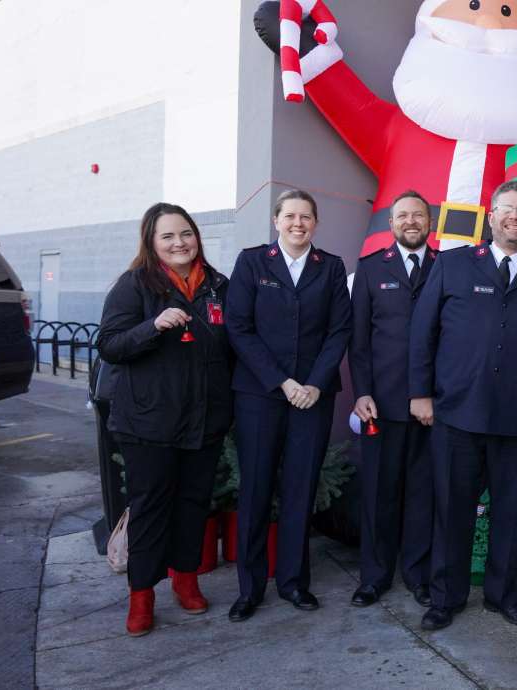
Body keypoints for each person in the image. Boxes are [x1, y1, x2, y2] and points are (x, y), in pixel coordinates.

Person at [409, 180, 517, 631]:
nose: (514, 218)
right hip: (457, 413)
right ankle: (446, 597)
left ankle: (503, 596)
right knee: (453, 510)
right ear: (492, 215)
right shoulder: (453, 266)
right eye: (506, 209)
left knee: (512, 510)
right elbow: (423, 333)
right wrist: (419, 393)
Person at [97, 202, 233, 636]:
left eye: (186, 234)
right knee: (151, 508)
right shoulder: (134, 285)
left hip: (204, 421)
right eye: (168, 237)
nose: (180, 243)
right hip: (148, 423)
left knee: (194, 503)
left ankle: (186, 581)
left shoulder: (217, 285)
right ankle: (142, 596)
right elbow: (110, 345)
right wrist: (152, 326)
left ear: (197, 237)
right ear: (152, 242)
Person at [224, 189, 351, 622]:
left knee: (300, 490)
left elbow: (339, 331)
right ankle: (250, 588)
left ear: (315, 223)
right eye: (290, 216)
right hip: (260, 395)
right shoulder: (252, 261)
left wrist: (313, 384)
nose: (298, 223)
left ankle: (295, 583)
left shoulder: (330, 267)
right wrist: (282, 382)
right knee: (256, 489)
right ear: (276, 220)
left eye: (307, 217)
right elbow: (239, 329)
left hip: (313, 398)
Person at [348, 191, 437, 608]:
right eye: (403, 215)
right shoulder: (369, 270)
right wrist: (361, 392)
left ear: (429, 222)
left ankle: (418, 575)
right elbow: (359, 341)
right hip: (380, 403)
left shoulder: (446, 267)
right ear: (391, 223)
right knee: (379, 493)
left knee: (423, 494)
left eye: (418, 215)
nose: (411, 221)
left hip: (431, 407)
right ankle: (374, 576)